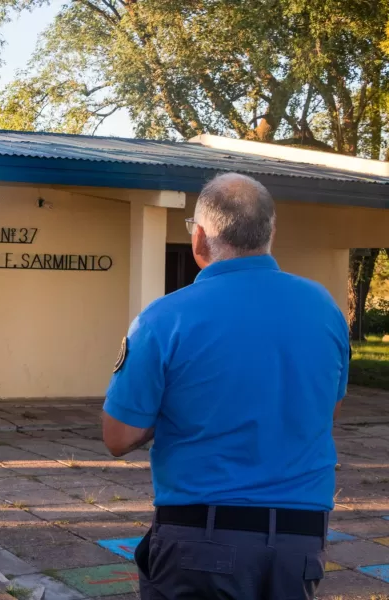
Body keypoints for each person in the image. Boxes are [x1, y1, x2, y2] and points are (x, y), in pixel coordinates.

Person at [102, 173, 349, 600]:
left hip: (201, 538)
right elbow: (328, 410)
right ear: (271, 232)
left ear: (199, 238)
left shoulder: (164, 317)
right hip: (300, 539)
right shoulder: (325, 308)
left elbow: (119, 436)